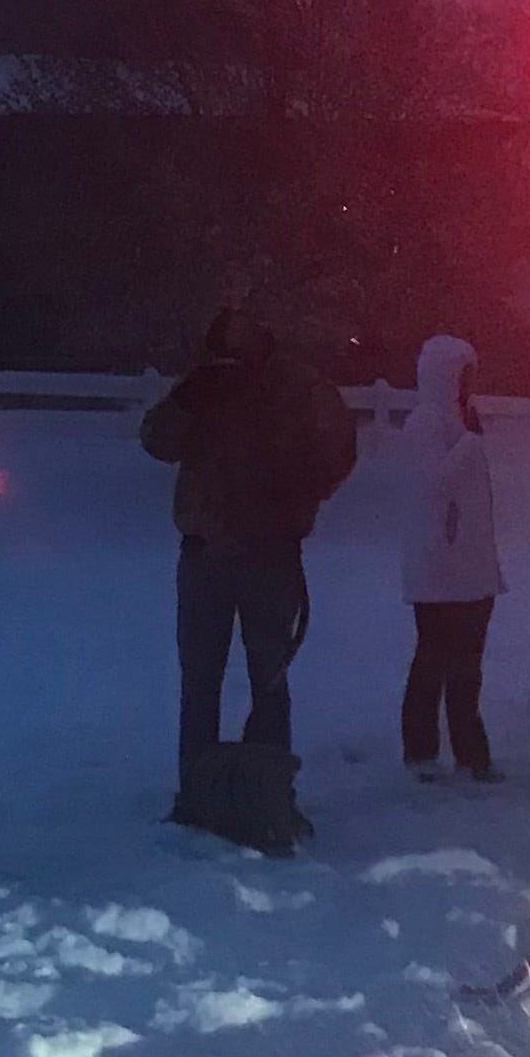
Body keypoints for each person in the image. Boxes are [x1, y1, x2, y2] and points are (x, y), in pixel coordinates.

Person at [139, 303, 361, 811]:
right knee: (201, 684)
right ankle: (198, 793)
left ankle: (269, 793)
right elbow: (156, 441)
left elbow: (339, 450)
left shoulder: (296, 388)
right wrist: (187, 401)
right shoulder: (202, 384)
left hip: (269, 552)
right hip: (205, 554)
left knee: (269, 680)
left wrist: (297, 490)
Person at [393, 334, 502, 780]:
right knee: (435, 660)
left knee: (465, 667)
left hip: (469, 568)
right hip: (441, 568)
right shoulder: (426, 424)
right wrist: (471, 446)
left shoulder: (459, 421)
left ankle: (469, 752)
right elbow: (432, 486)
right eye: (463, 374)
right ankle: (422, 751)